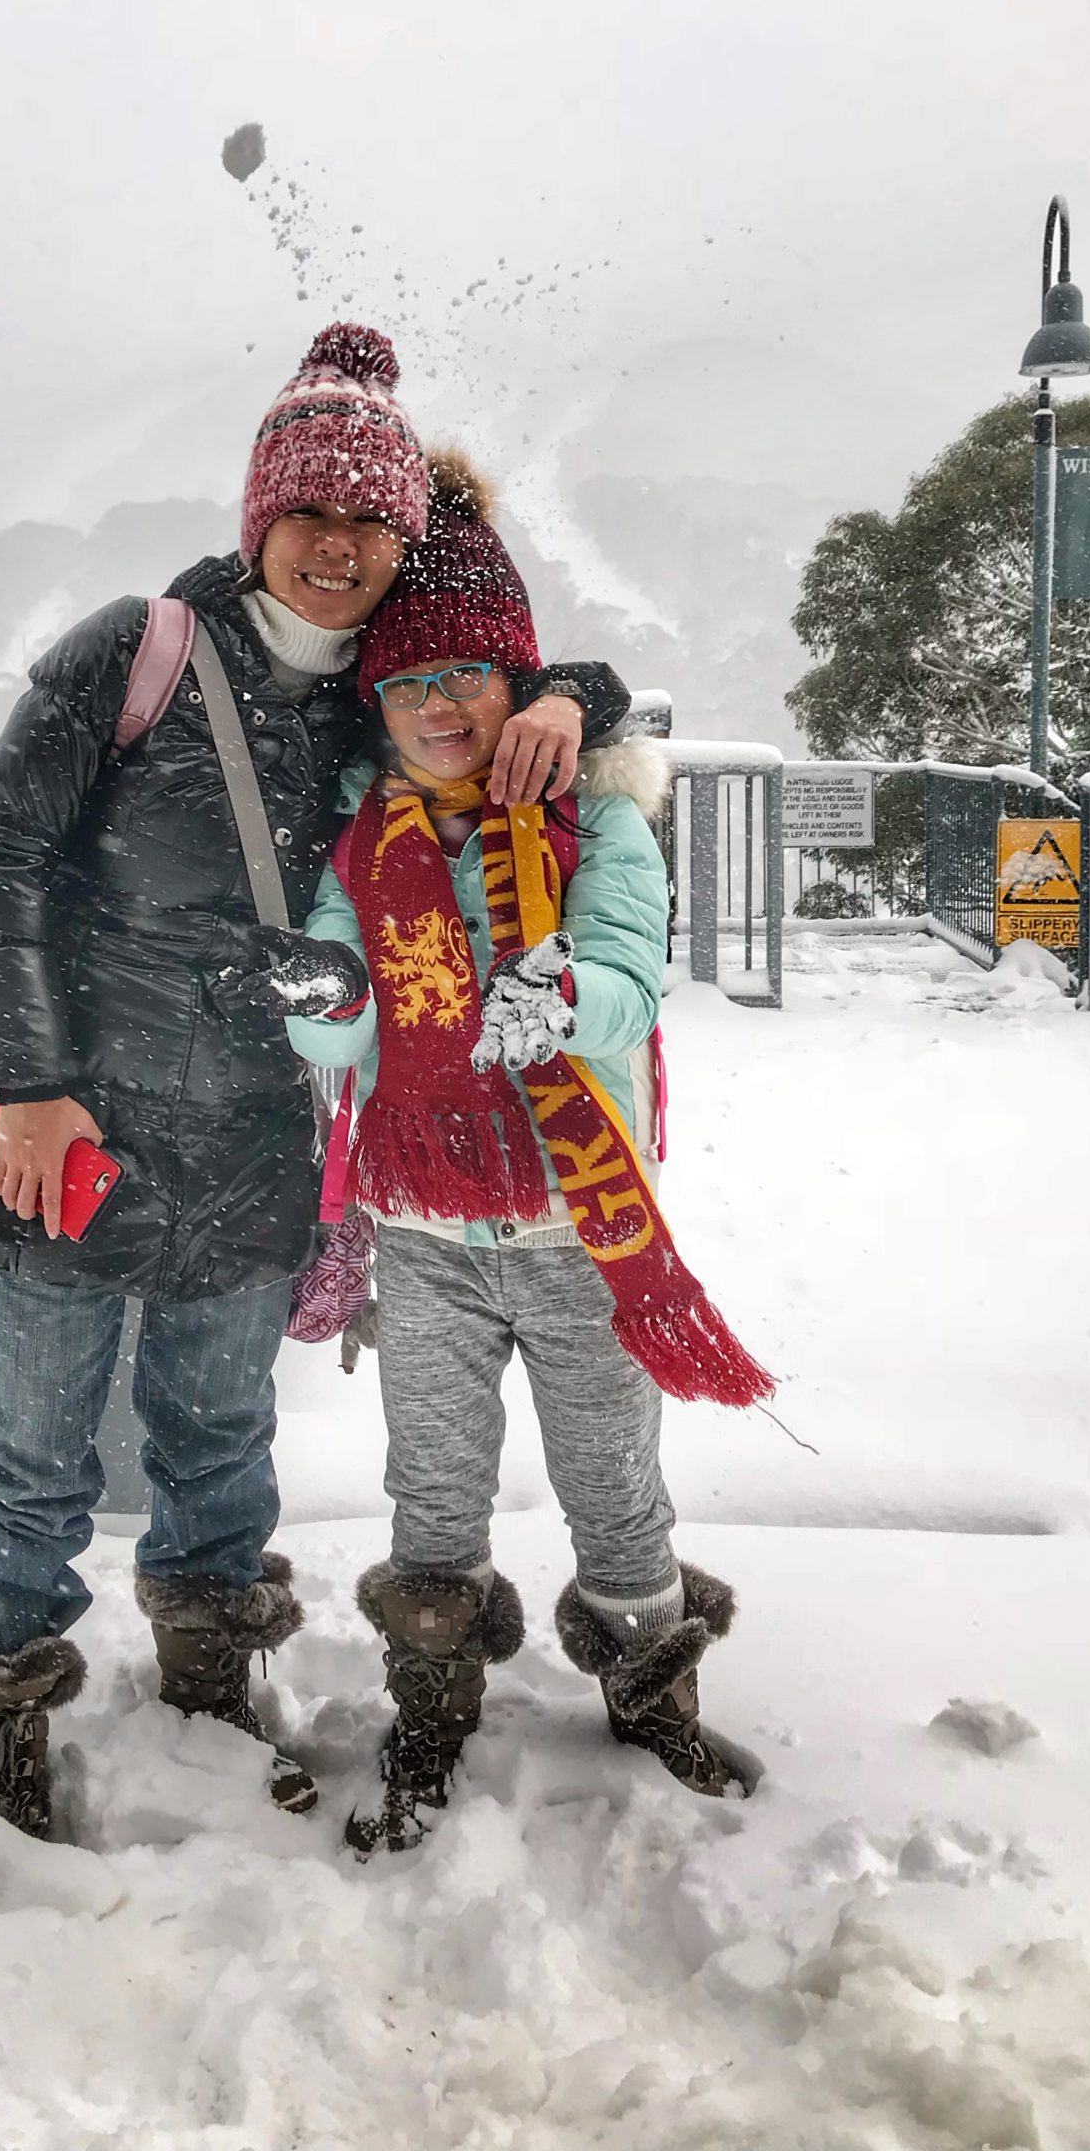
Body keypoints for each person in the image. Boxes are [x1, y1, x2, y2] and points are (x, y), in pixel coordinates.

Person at [0, 325, 633, 1836]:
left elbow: (485, 680)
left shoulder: (375, 689)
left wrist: (582, 696)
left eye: (375, 519)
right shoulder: (140, 650)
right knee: (32, 1460)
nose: (341, 545)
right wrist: (31, 1081)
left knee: (220, 1448)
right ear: (259, 519)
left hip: (249, 1140)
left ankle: (206, 1705)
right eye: (311, 513)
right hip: (75, 1126)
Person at [283, 452, 770, 1855]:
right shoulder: (363, 852)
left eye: (468, 681)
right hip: (424, 1232)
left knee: (614, 1482)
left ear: (520, 691)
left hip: (577, 1226)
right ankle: (431, 1702)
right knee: (429, 1487)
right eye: (409, 686)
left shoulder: (595, 821)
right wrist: (319, 1001)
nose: (440, 708)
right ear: (378, 708)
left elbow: (624, 976)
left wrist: (562, 995)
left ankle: (650, 1695)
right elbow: (343, 1034)